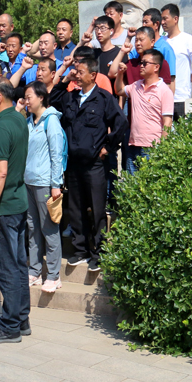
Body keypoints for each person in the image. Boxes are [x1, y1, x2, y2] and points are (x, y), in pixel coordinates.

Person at [50, 59, 127, 271]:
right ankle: (80, 250)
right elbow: (52, 98)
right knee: (76, 208)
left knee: (97, 208)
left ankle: (98, 252)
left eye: (80, 71)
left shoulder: (103, 98)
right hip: (73, 163)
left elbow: (121, 123)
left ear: (93, 75)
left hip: (94, 164)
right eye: (76, 71)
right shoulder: (71, 97)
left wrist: (108, 147)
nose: (77, 74)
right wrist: (65, 79)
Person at [0, 77, 30, 344]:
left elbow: (0, 171)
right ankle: (21, 319)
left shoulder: (2, 128)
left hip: (5, 207)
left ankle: (10, 325)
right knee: (18, 263)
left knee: (6, 266)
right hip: (18, 202)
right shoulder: (19, 119)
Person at [23, 82, 65, 294]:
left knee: (49, 229)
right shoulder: (28, 121)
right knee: (32, 228)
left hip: (45, 183)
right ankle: (35, 271)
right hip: (28, 182)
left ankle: (54, 275)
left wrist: (56, 184)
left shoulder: (52, 121)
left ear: (41, 97)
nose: (26, 101)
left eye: (29, 97)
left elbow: (57, 155)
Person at [115, 49, 173, 173]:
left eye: (145, 63)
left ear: (156, 67)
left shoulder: (164, 91)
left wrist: (162, 148)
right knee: (132, 183)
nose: (141, 66)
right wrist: (120, 74)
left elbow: (167, 122)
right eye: (141, 63)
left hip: (152, 148)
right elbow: (119, 90)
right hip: (133, 145)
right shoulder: (136, 85)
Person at [162, 4, 192, 122]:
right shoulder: (161, 41)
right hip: (161, 97)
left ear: (175, 19)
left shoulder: (187, 39)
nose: (162, 22)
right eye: (161, 19)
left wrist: (186, 80)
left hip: (180, 98)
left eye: (165, 18)